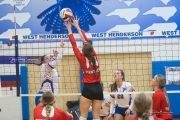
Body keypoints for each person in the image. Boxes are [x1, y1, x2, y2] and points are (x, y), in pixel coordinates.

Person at [64, 17, 103, 120]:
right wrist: (77, 26)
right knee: (96, 117)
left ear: (83, 51)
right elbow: (85, 40)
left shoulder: (81, 58)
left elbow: (74, 44)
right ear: (92, 49)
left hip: (88, 88)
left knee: (83, 116)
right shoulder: (94, 55)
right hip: (99, 88)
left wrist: (69, 29)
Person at [35, 40, 65, 106]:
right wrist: (61, 48)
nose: (50, 59)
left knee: (51, 115)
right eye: (47, 58)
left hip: (51, 96)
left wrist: (54, 56)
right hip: (43, 96)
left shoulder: (52, 70)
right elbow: (57, 61)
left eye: (50, 58)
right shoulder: (44, 66)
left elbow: (53, 62)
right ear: (43, 61)